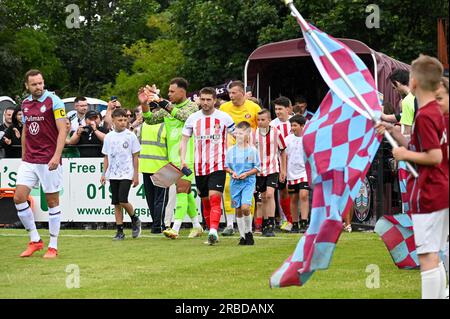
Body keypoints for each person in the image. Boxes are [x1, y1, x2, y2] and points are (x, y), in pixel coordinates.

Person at [376, 55, 448, 299]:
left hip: (429, 190)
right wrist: (394, 131)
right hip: (438, 190)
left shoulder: (426, 115)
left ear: (414, 82)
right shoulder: (435, 113)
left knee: (427, 255)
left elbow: (434, 156)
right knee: (434, 253)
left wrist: (403, 153)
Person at [13, 69, 67, 259]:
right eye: (34, 84)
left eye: (40, 83)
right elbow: (26, 129)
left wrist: (56, 156)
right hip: (30, 159)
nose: (38, 87)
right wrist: (23, 154)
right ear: (27, 85)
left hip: (49, 159)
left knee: (52, 202)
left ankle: (53, 246)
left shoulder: (54, 101)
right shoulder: (25, 103)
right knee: (19, 198)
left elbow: (63, 130)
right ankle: (35, 240)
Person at [139, 78, 200, 239]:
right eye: (168, 91)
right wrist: (145, 104)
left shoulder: (192, 107)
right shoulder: (167, 109)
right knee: (185, 193)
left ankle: (176, 227)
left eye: (172, 91)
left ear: (182, 91)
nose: (169, 94)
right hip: (172, 158)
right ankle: (197, 225)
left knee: (181, 190)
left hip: (187, 156)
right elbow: (150, 119)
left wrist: (162, 102)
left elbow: (183, 117)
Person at [180, 87, 235, 245]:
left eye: (208, 100)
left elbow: (237, 135)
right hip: (199, 166)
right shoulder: (193, 118)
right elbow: (184, 140)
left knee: (214, 197)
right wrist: (182, 159)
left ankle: (213, 231)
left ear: (215, 100)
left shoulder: (224, 117)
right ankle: (211, 232)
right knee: (205, 201)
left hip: (218, 165)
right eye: (202, 99)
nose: (205, 103)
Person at [220, 80, 261, 236]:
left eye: (234, 93)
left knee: (248, 193)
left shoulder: (254, 108)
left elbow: (261, 127)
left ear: (243, 93)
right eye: (229, 93)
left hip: (248, 155)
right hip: (230, 153)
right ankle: (230, 224)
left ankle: (248, 227)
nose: (231, 96)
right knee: (228, 188)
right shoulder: (224, 108)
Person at [101, 108, 142, 240]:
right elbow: (106, 157)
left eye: (125, 120)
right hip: (113, 174)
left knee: (122, 199)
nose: (123, 122)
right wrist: (103, 173)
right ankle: (120, 231)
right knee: (116, 203)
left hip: (126, 173)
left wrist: (136, 175)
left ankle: (134, 218)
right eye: (120, 120)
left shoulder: (131, 136)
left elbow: (135, 157)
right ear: (113, 120)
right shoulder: (108, 137)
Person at [225, 121, 260, 245]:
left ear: (247, 135)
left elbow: (257, 168)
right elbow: (226, 167)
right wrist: (232, 172)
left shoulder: (252, 151)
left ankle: (248, 232)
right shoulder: (230, 151)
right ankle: (242, 236)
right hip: (235, 183)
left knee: (246, 207)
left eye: (241, 133)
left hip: (248, 182)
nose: (238, 136)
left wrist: (247, 173)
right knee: (238, 209)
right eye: (237, 133)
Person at [254, 109, 287, 237]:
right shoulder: (253, 134)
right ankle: (264, 223)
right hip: (258, 171)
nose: (260, 122)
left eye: (263, 120)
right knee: (262, 197)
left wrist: (283, 169)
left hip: (273, 169)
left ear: (269, 120)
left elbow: (283, 151)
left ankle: (270, 224)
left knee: (269, 195)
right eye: (258, 120)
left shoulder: (276, 132)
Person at [139, 120, 170, 234]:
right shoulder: (165, 125)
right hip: (161, 166)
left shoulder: (144, 125)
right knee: (161, 198)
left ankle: (155, 224)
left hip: (146, 165)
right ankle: (158, 225)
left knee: (151, 198)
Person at [270, 96, 294, 232]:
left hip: (297, 162)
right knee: (283, 190)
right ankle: (287, 220)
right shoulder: (272, 124)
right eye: (276, 109)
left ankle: (300, 220)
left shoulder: (296, 121)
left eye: (280, 109)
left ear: (288, 109)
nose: (278, 112)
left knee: (298, 192)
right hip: (279, 162)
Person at [285, 115, 310, 233]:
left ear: (302, 126)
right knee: (293, 198)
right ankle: (295, 223)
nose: (292, 128)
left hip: (305, 172)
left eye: (295, 125)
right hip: (291, 172)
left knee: (304, 195)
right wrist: (283, 171)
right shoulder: (287, 139)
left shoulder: (308, 138)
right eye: (291, 125)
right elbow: (283, 156)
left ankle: (304, 222)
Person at [381, 69, 416, 136]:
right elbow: (400, 116)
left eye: (394, 88)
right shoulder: (418, 95)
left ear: (397, 83)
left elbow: (407, 132)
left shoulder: (407, 101)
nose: (395, 91)